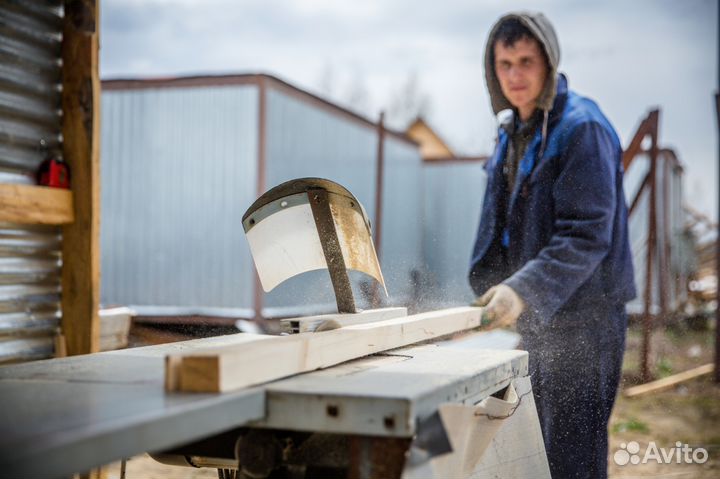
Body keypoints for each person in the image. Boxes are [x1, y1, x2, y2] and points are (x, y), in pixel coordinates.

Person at [469, 12, 636, 479]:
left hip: (587, 320)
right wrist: (488, 293)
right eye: (504, 64)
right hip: (541, 317)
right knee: (534, 451)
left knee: (571, 457)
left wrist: (522, 290)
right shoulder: (511, 133)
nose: (515, 76)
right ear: (492, 70)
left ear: (549, 62)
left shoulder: (582, 128)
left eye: (526, 61)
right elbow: (499, 228)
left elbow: (586, 234)